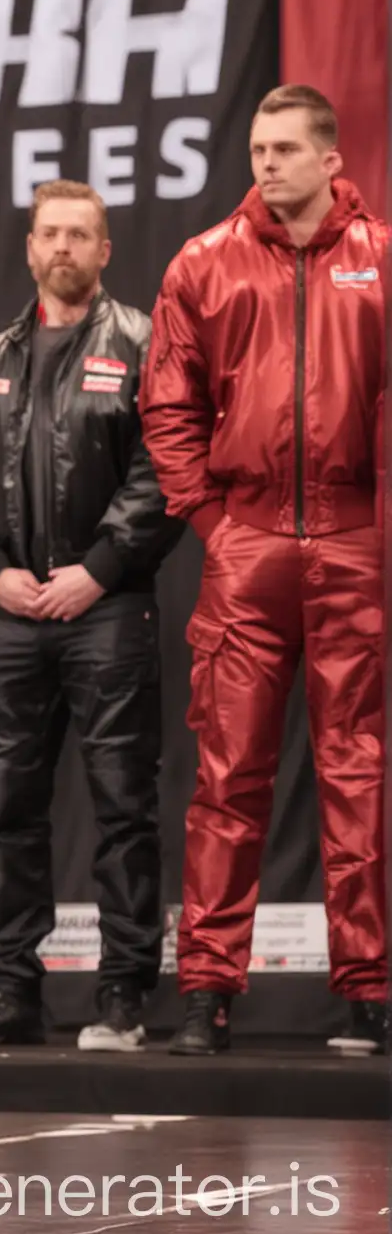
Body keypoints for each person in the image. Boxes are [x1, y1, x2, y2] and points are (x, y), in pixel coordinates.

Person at [140, 84, 387, 1058]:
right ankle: (206, 990)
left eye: (286, 148)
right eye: (258, 147)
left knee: (359, 773)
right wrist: (211, 518)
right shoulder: (205, 264)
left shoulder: (380, 260)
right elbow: (168, 406)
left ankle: (370, 990)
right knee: (226, 775)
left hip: (354, 542)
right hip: (245, 545)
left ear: (332, 159)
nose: (267, 163)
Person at [0, 179, 177, 1053]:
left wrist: (95, 572)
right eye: (50, 234)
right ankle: (9, 993)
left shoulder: (140, 346)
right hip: (15, 616)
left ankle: (124, 998)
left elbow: (163, 471)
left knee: (122, 808)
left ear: (105, 251)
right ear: (29, 249)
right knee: (7, 809)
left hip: (107, 610)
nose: (63, 248)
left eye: (81, 235)